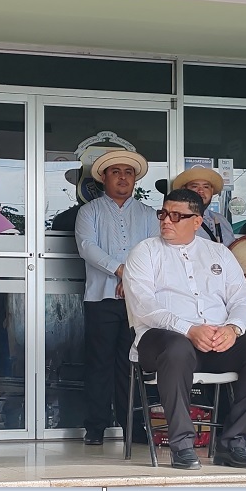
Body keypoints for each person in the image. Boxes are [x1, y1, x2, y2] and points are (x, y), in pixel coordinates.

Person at [123, 188, 246, 470]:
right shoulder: (145, 251)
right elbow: (144, 305)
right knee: (177, 346)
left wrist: (233, 329)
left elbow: (242, 299)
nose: (166, 221)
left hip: (216, 340)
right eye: (163, 214)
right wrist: (188, 329)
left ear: (197, 221)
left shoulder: (218, 252)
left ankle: (232, 443)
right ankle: (182, 444)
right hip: (160, 341)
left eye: (176, 216)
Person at [74, 149, 160, 445]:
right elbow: (88, 247)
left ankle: (132, 427)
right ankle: (95, 428)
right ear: (103, 178)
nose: (123, 178)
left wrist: (133, 279)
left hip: (138, 303)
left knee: (131, 364)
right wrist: (122, 271)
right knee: (99, 364)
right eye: (116, 172)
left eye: (128, 173)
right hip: (101, 299)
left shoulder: (149, 215)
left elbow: (154, 252)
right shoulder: (90, 211)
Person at [172, 167, 235, 246]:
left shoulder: (222, 220)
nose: (201, 191)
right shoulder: (174, 220)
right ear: (184, 190)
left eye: (206, 187)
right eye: (195, 186)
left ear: (212, 191)